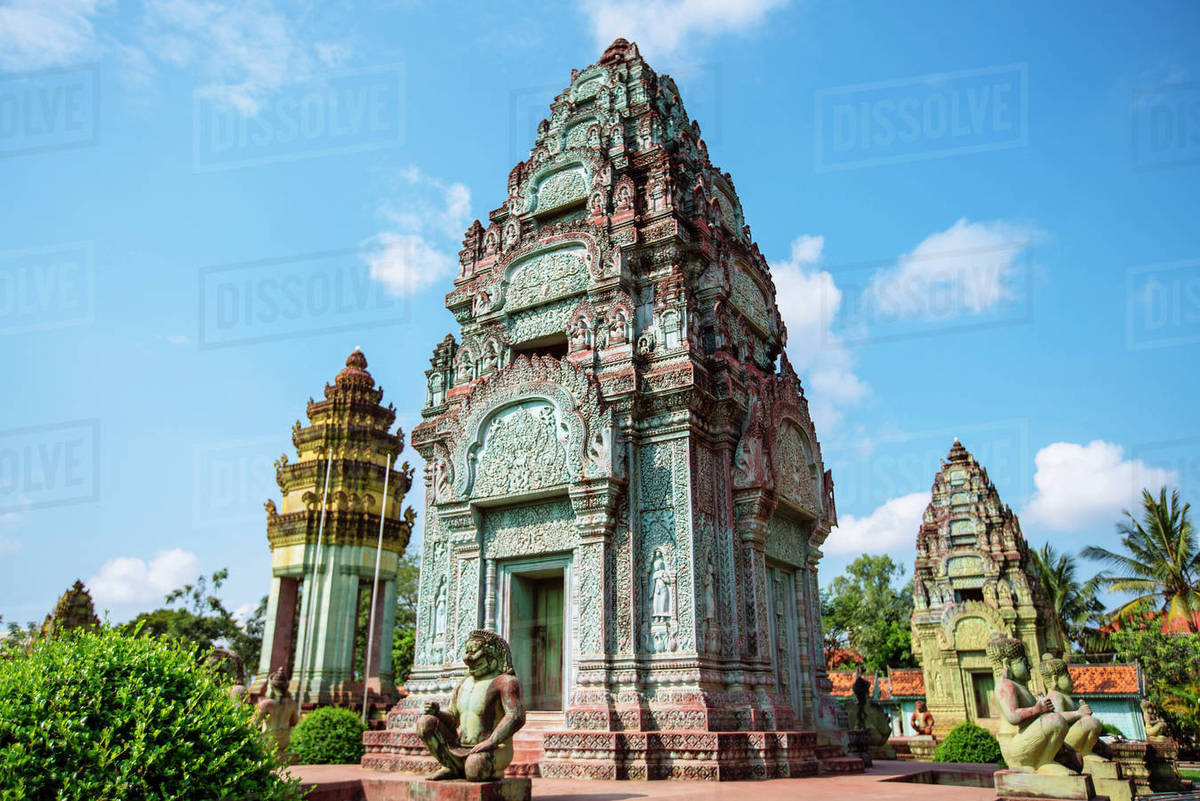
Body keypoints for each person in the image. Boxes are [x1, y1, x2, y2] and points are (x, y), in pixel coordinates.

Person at [416, 629, 527, 781]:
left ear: (492, 656)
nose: (468, 657)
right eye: (467, 652)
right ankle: (450, 765)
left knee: (474, 768)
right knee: (425, 723)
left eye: (474, 653)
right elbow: (454, 718)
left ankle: (492, 770)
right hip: (460, 747)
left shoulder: (505, 682)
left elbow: (516, 716)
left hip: (495, 748)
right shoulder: (463, 683)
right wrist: (437, 713)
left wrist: (491, 741)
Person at [987, 633, 1072, 775]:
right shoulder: (1005, 685)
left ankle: (1045, 760)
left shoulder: (1019, 687)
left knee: (1074, 760)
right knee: (1055, 721)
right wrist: (1038, 709)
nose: (1030, 666)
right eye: (1023, 661)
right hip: (1014, 744)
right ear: (1007, 664)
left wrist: (1041, 709)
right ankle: (1044, 762)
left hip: (1026, 740)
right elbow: (1013, 716)